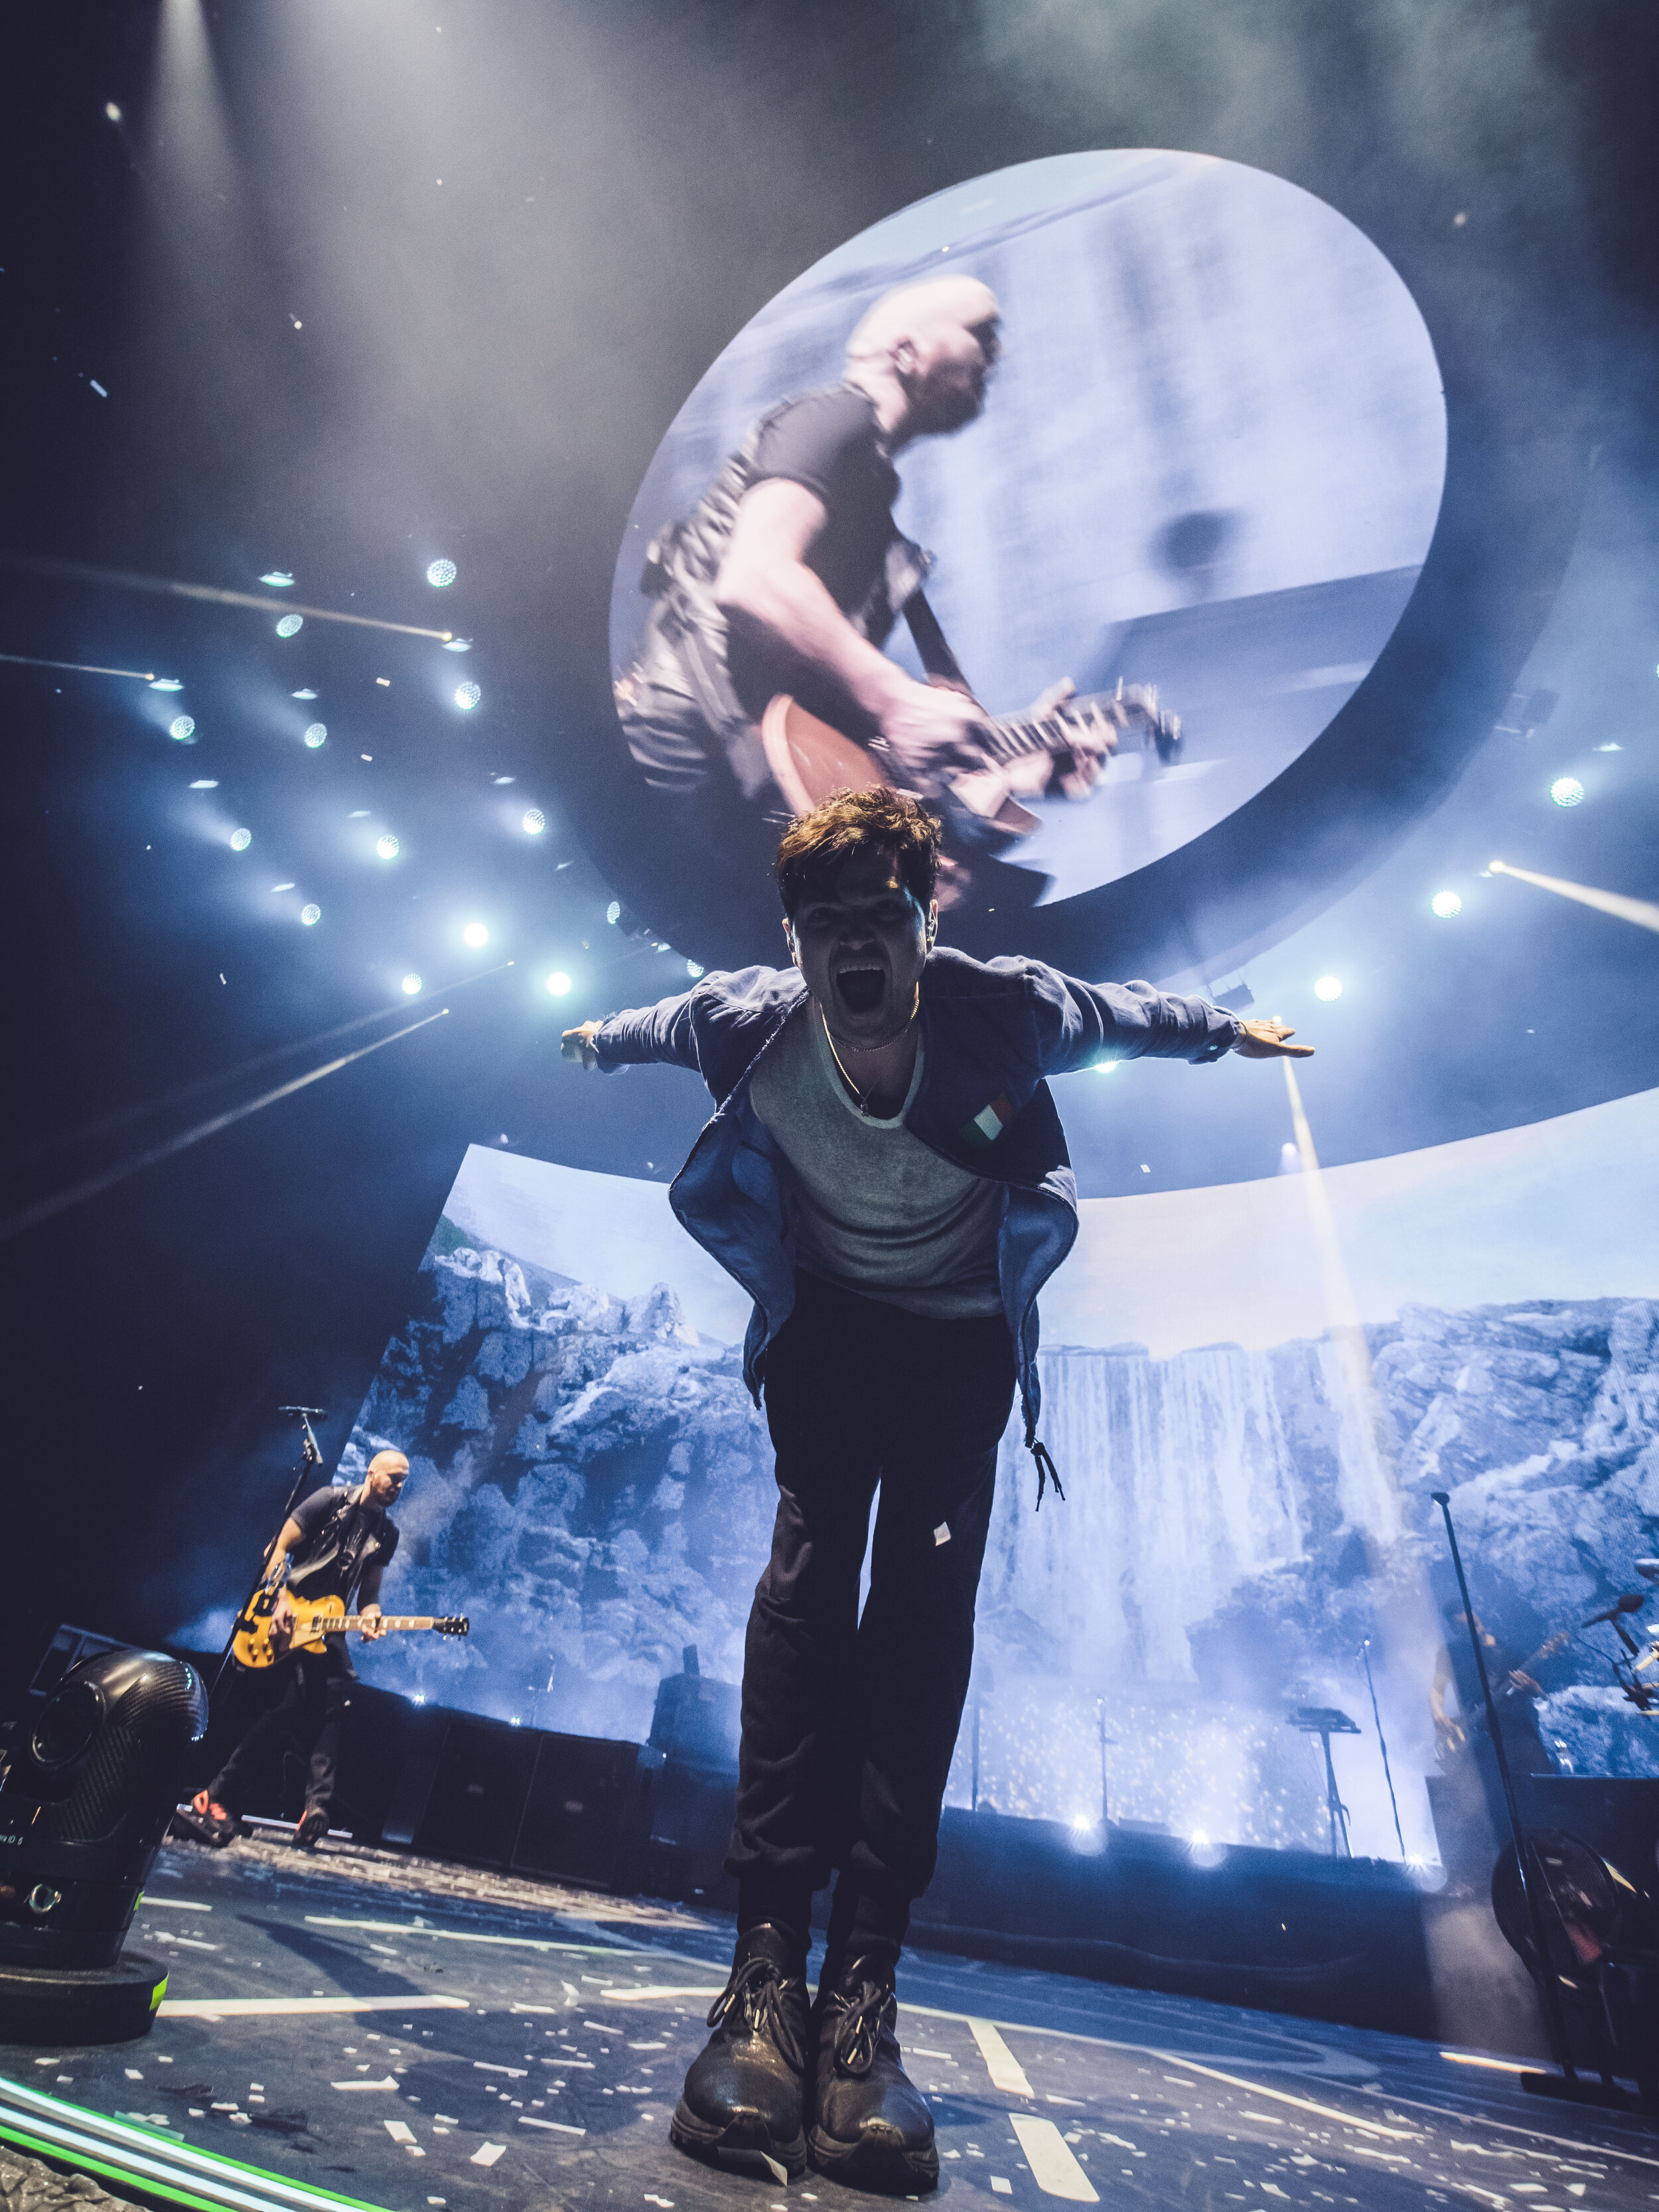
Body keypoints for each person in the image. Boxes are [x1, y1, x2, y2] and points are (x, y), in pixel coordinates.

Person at [561, 788, 1311, 2195]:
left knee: (917, 1624)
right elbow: (661, 1020)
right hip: (830, 1330)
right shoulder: (749, 1020)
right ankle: (763, 1976)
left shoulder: (1002, 1008)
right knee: (804, 1592)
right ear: (795, 937)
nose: (856, 943)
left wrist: (1225, 1030)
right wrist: (599, 1038)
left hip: (959, 1342)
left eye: (882, 915)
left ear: (923, 921)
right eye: (826, 921)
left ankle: (863, 1990)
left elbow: (1123, 1013)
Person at [614, 275, 1119, 932]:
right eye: (982, 333)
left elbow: (821, 713)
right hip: (694, 745)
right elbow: (754, 579)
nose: (996, 354)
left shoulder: (870, 502)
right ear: (907, 352)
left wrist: (1005, 771)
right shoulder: (833, 418)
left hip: (747, 774)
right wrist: (895, 700)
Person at [188, 1451, 408, 1850]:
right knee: (282, 1711)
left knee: (332, 1702)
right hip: (286, 1617)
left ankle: (312, 1807)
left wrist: (372, 1616)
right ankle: (221, 1795)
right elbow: (278, 1548)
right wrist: (281, 1598)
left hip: (329, 1624)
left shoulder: (387, 1534)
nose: (398, 1486)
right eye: (393, 1477)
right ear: (371, 1472)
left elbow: (370, 1593)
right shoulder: (329, 1500)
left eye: (403, 1480)